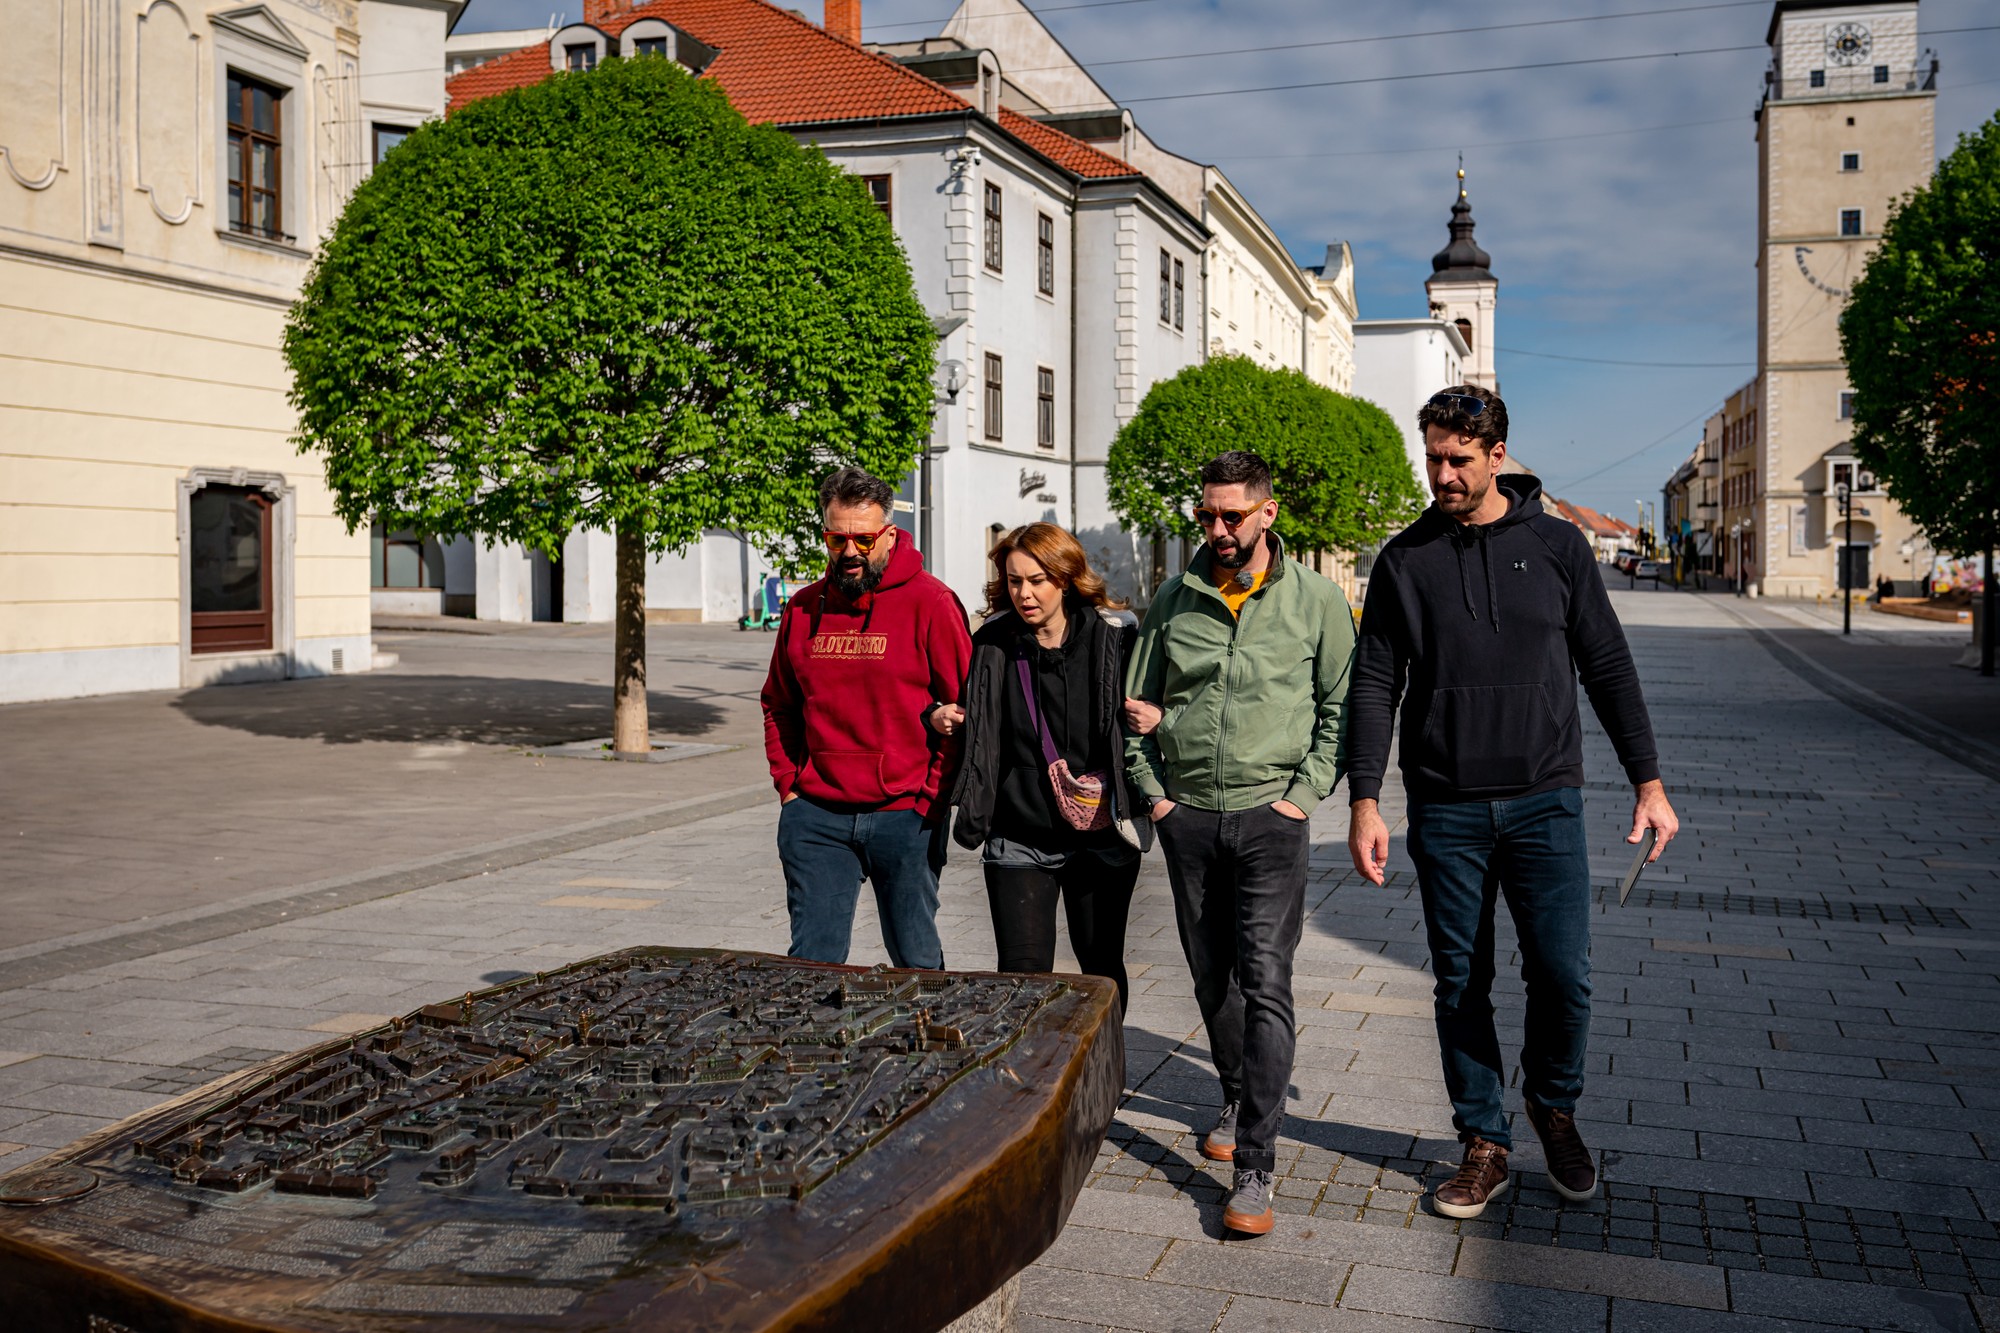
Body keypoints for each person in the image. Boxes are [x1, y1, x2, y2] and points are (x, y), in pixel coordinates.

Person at [1345, 385, 1679, 1221]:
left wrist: (1649, 780)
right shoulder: (1404, 559)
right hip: (1448, 808)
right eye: (1434, 457)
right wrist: (1364, 798)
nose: (1444, 473)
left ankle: (1553, 1106)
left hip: (1544, 801)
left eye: (1459, 458)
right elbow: (1376, 683)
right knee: (1460, 979)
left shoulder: (1560, 547)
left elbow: (1607, 666)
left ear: (1499, 455)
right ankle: (1483, 1139)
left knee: (1565, 974)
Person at [1124, 450, 1356, 1238]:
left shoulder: (1316, 601)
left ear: (1268, 512)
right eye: (1206, 516)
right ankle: (1233, 1088)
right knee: (1209, 974)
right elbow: (1136, 705)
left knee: (1266, 977)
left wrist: (1303, 794)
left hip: (1269, 819)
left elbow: (1339, 703)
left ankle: (1256, 1161)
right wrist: (1154, 795)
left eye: (1233, 515)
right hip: (1187, 815)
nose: (1218, 530)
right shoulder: (1174, 598)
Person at [934, 523, 1154, 1014]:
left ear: (1066, 577)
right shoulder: (992, 642)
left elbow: (1159, 708)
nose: (1024, 593)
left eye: (1037, 580)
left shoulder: (1115, 636)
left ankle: (1102, 1081)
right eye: (1014, 581)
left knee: (1101, 969)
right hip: (1019, 835)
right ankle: (1026, 1088)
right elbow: (967, 713)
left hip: (1101, 835)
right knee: (1021, 976)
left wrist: (1158, 719)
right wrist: (938, 714)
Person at [760, 466, 972, 970]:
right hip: (816, 816)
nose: (850, 552)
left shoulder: (932, 604)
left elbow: (964, 712)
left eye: (864, 539)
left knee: (915, 959)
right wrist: (789, 786)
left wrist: (931, 800)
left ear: (890, 534)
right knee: (812, 962)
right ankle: (813, 1049)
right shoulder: (803, 609)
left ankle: (928, 1050)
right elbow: (778, 703)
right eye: (838, 539)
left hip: (907, 815)